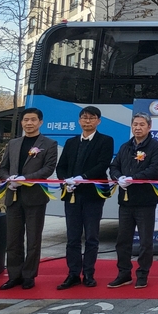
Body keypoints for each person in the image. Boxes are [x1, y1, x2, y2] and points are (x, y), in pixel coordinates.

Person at [0, 108, 58, 290]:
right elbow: (3, 167)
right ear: (22, 122)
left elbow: (48, 168)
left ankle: (29, 275)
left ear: (40, 122)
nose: (29, 123)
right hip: (13, 197)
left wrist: (25, 179)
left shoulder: (49, 144)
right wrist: (8, 179)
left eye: (33, 120)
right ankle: (14, 275)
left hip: (35, 198)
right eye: (26, 120)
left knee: (33, 240)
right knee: (13, 239)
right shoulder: (13, 143)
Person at [55, 106, 114, 290]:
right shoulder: (71, 142)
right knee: (72, 237)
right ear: (79, 121)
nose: (87, 121)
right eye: (84, 118)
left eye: (91, 118)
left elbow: (103, 164)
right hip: (72, 194)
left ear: (98, 121)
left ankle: (89, 273)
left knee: (91, 236)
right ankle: (73, 273)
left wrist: (83, 177)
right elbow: (61, 166)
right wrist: (66, 180)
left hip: (92, 195)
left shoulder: (105, 140)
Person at [108, 112, 158, 289]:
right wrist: (118, 177)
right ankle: (123, 273)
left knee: (145, 241)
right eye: (135, 124)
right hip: (125, 201)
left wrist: (133, 178)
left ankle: (142, 274)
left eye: (142, 125)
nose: (138, 128)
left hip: (145, 201)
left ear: (149, 127)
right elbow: (114, 166)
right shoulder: (126, 146)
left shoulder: (156, 147)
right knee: (122, 240)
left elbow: (154, 169)